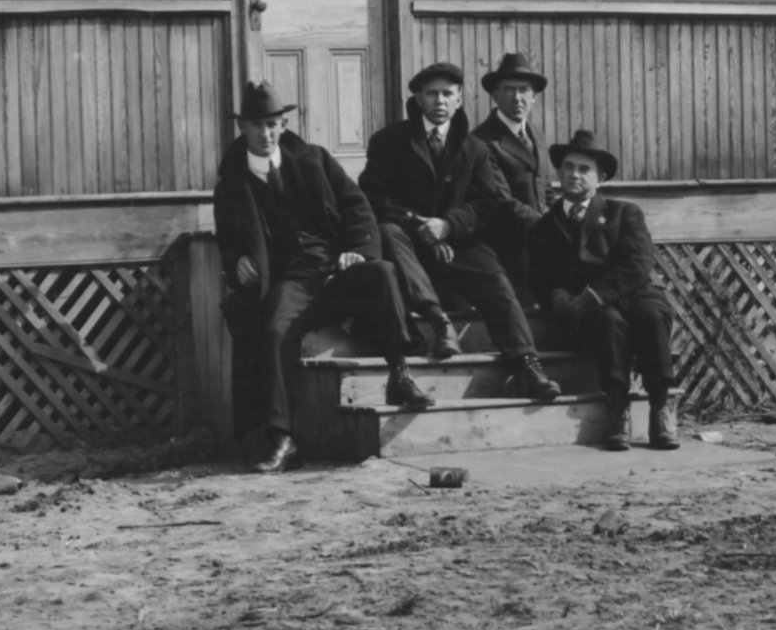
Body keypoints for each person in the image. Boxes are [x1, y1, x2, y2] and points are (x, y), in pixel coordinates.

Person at [214, 80, 429, 474]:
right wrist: (237, 260)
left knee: (381, 273)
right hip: (288, 282)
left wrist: (356, 251)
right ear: (243, 127)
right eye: (258, 125)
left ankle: (399, 371)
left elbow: (358, 209)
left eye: (274, 124)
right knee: (276, 330)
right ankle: (282, 435)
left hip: (334, 271)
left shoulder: (314, 161)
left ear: (283, 125)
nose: (267, 134)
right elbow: (227, 239)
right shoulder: (232, 183)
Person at [359, 61, 562, 404]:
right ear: (418, 99)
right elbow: (374, 196)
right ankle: (439, 322)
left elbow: (487, 203)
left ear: (459, 100)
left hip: (459, 242)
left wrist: (449, 226)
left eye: (447, 94)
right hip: (408, 243)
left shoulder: (474, 148)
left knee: (496, 279)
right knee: (388, 231)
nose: (440, 100)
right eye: (432, 93)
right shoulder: (389, 142)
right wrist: (421, 225)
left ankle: (527, 364)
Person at [525, 128, 678, 453]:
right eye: (568, 167)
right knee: (607, 322)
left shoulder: (624, 212)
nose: (574, 175)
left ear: (600, 179)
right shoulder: (544, 227)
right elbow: (540, 278)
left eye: (584, 169)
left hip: (635, 293)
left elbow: (637, 264)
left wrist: (591, 294)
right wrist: (557, 298)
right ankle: (618, 408)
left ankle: (660, 410)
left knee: (651, 316)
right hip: (590, 309)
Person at [470, 51, 550, 292]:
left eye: (524, 90)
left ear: (534, 96)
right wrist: (550, 225)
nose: (517, 98)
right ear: (495, 95)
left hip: (544, 243)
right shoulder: (482, 141)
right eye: (509, 90)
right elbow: (502, 202)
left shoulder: (536, 134)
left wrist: (559, 218)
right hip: (508, 248)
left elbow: (545, 187)